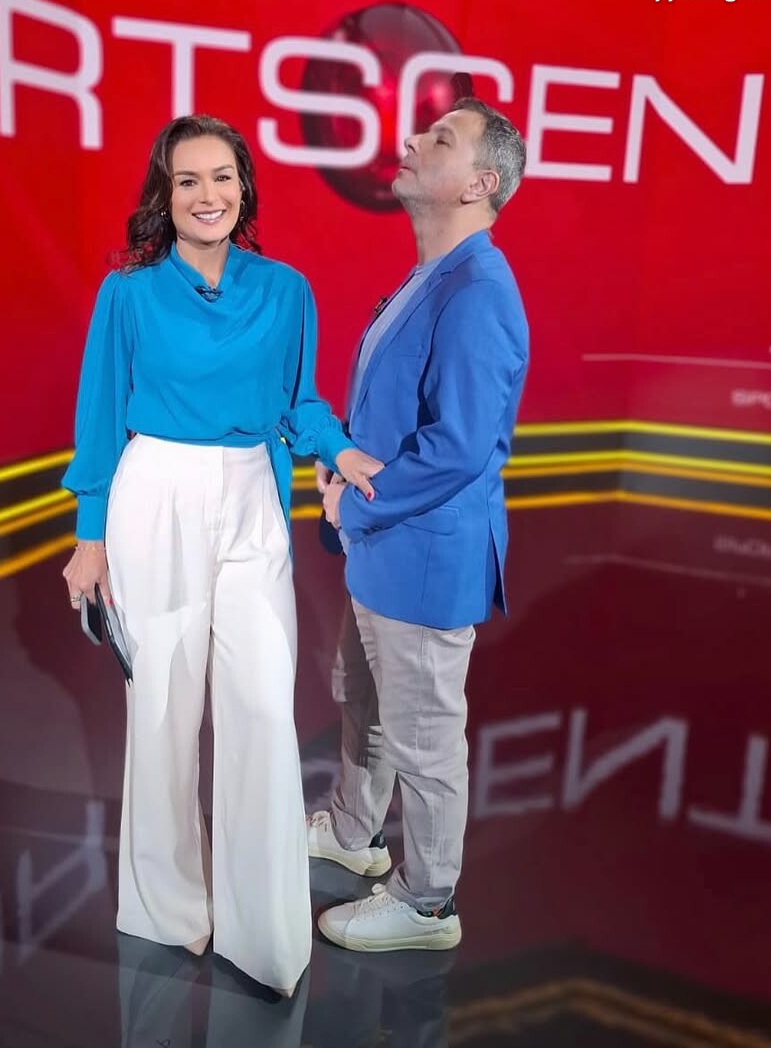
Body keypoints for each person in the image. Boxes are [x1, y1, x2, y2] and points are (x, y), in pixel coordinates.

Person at [60, 114, 382, 996]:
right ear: (165, 196)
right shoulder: (128, 294)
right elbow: (99, 418)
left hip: (250, 503)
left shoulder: (285, 290)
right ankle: (166, 910)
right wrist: (89, 537)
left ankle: (264, 936)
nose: (209, 195)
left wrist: (340, 448)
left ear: (245, 188)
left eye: (223, 177)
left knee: (262, 709)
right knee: (162, 711)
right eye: (189, 180)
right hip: (152, 496)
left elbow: (300, 403)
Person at [307, 99, 530, 952]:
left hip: (425, 558)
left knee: (426, 739)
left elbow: (459, 448)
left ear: (480, 183)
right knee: (362, 701)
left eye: (440, 140)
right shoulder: (434, 275)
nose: (410, 141)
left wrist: (356, 498)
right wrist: (344, 463)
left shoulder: (479, 292)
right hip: (383, 548)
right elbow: (396, 414)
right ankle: (353, 833)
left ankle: (428, 902)